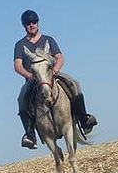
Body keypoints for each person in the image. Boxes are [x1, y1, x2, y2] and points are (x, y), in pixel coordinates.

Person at [14, 10, 97, 149]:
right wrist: (29, 76)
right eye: (28, 23)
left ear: (38, 23)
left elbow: (59, 57)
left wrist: (56, 68)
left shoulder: (48, 39)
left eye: (34, 22)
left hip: (52, 75)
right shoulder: (20, 44)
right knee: (21, 99)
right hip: (33, 79)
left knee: (75, 84)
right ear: (24, 26)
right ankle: (30, 135)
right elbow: (17, 65)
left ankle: (84, 119)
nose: (32, 25)